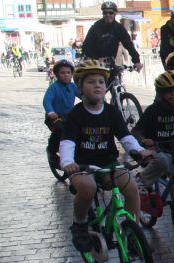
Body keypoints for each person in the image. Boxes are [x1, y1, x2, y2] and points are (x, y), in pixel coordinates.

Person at [59, 60, 151, 252]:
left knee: (132, 188)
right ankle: (80, 224)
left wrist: (138, 150)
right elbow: (67, 142)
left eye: (101, 82)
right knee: (88, 187)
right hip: (82, 165)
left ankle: (133, 235)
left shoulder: (112, 112)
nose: (97, 85)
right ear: (80, 87)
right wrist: (68, 162)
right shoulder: (76, 114)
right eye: (91, 82)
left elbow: (125, 136)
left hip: (108, 164)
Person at [132, 71, 174, 192]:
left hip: (170, 150)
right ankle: (140, 181)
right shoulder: (153, 110)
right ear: (161, 93)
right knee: (163, 162)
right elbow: (136, 131)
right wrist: (143, 140)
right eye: (168, 91)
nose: (173, 94)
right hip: (151, 150)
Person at [80, 1, 141, 70]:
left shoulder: (119, 28)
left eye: (110, 13)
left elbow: (129, 45)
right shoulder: (96, 27)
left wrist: (137, 61)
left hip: (110, 65)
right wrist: (97, 58)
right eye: (105, 13)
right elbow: (85, 47)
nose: (108, 15)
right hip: (95, 65)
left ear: (115, 13)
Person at [43, 60, 78, 168]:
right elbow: (47, 100)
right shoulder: (54, 87)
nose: (66, 75)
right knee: (59, 130)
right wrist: (51, 112)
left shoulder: (73, 86)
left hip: (69, 117)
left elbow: (83, 95)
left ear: (72, 74)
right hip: (55, 116)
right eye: (62, 73)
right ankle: (51, 151)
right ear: (57, 74)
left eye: (68, 72)